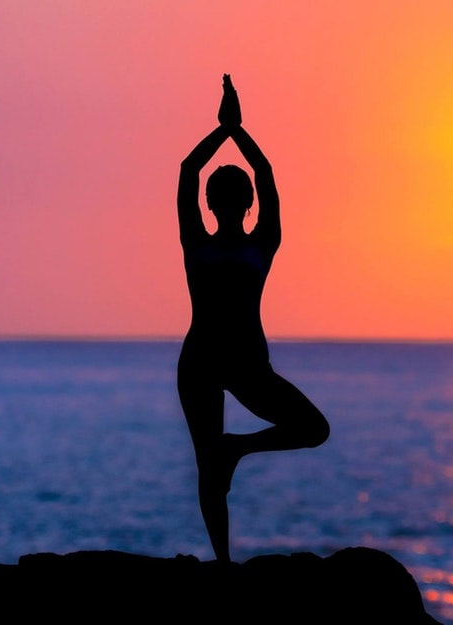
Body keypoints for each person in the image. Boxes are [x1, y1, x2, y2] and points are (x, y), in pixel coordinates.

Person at [177, 74, 329, 562]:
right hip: (223, 361)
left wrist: (223, 129)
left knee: (211, 462)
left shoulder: (199, 244)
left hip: (220, 361)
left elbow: (188, 169)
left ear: (212, 203)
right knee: (308, 430)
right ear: (246, 204)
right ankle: (223, 555)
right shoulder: (260, 243)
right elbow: (263, 173)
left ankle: (223, 555)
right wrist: (237, 129)